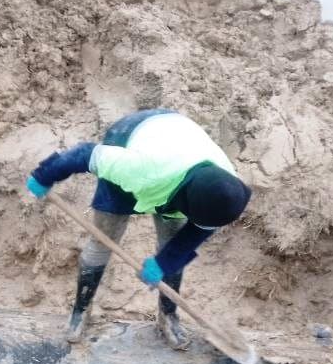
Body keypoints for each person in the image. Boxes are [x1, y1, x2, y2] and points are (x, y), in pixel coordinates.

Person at [26, 109, 251, 350]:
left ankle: (168, 315)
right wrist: (44, 175)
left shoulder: (226, 189)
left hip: (179, 146)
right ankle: (80, 310)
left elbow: (198, 231)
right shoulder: (137, 168)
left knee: (173, 247)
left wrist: (164, 263)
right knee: (104, 239)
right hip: (132, 138)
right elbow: (85, 154)